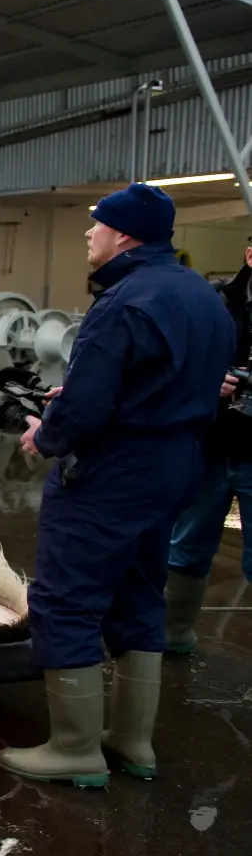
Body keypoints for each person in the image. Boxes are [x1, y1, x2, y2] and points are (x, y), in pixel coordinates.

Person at [1, 184, 234, 786]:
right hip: (177, 460)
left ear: (124, 234)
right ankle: (132, 742)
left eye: (96, 224)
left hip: (114, 470)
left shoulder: (123, 302)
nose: (88, 233)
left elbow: (84, 413)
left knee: (66, 597)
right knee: (137, 590)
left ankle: (75, 748)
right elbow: (184, 381)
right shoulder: (204, 296)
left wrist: (46, 434)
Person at [163, 244, 252, 655]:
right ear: (249, 255)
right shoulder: (212, 300)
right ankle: (173, 637)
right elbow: (169, 362)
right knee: (187, 546)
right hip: (211, 444)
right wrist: (208, 379)